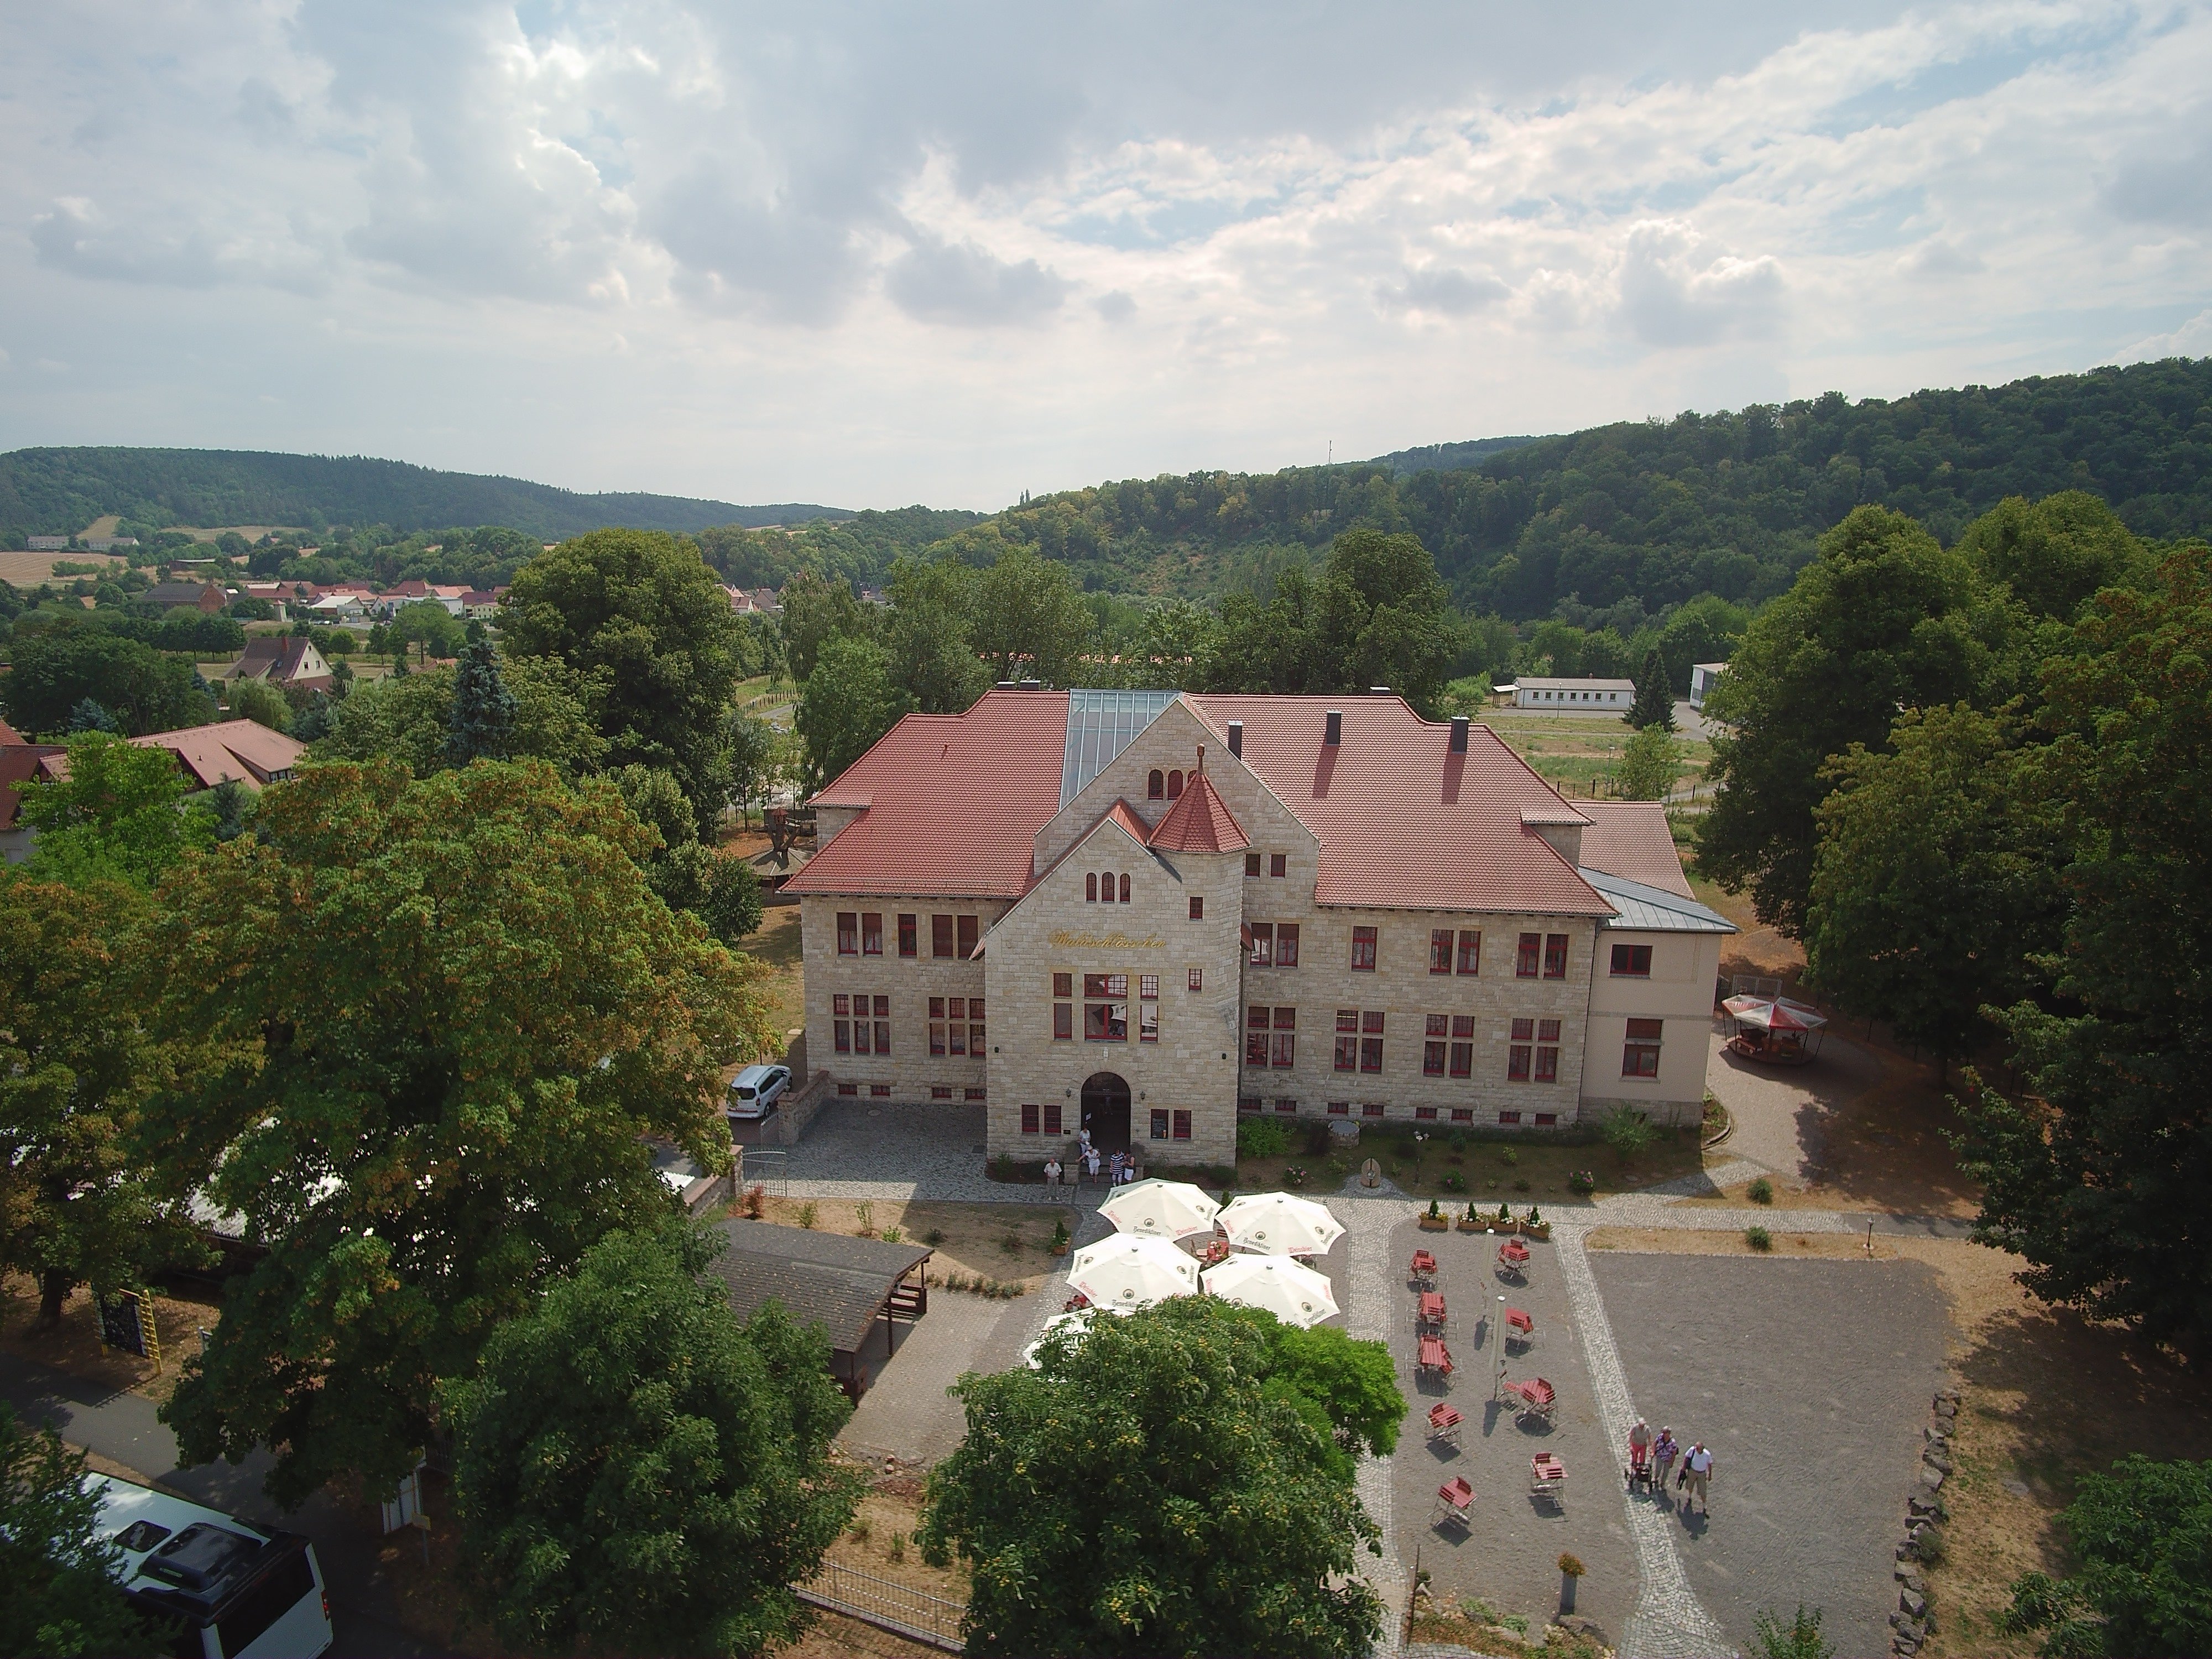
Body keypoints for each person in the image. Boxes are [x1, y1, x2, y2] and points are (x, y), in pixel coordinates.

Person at [1683, 1441, 1714, 1515]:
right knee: (1690, 1485)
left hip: (1702, 1473)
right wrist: (1684, 1467)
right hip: (1692, 1471)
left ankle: (1704, 1505)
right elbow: (1686, 1457)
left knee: (1703, 1491)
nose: (1697, 1450)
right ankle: (1690, 1497)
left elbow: (1710, 1464)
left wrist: (1710, 1475)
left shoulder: (1707, 1454)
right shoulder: (1692, 1450)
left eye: (1698, 1449)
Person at [1653, 1427, 1679, 1494]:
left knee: (1666, 1472)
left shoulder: (1673, 1442)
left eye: (1665, 1433)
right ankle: (1656, 1478)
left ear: (1669, 1433)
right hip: (1660, 1456)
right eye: (1663, 1432)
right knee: (1658, 1468)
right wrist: (1654, 1451)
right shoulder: (1660, 1437)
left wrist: (1672, 1462)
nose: (1664, 1434)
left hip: (1668, 1458)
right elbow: (1655, 1442)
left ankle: (1663, 1484)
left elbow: (1674, 1452)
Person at [1628, 1418, 1653, 1482]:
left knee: (1642, 1457)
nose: (1642, 1427)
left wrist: (1651, 1448)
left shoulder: (1647, 1429)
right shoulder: (1635, 1428)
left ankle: (1640, 1468)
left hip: (1643, 1445)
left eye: (1643, 1425)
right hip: (1635, 1444)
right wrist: (1631, 1446)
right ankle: (1634, 1469)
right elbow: (1631, 1436)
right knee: (1635, 1457)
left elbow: (1650, 1439)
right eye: (1641, 1425)